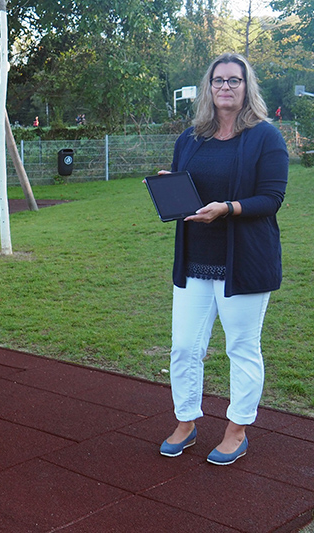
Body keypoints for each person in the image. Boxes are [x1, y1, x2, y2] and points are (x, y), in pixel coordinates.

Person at [158, 53, 288, 465]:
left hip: (245, 262)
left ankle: (237, 429)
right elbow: (189, 192)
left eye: (234, 80)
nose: (226, 87)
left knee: (242, 347)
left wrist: (227, 207)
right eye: (218, 80)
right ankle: (186, 421)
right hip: (195, 260)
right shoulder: (190, 138)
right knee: (183, 347)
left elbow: (272, 198)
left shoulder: (266, 137)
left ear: (247, 87)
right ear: (208, 88)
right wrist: (171, 189)